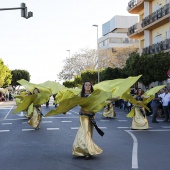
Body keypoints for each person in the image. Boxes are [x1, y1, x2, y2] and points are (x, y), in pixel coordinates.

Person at [72, 81, 103, 160]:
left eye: (89, 85)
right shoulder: (81, 95)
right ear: (84, 86)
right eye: (86, 85)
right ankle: (87, 151)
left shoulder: (93, 95)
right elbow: (72, 102)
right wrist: (64, 109)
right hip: (83, 116)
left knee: (89, 133)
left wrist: (116, 98)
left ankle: (83, 150)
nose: (88, 86)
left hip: (91, 116)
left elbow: (103, 99)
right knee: (85, 132)